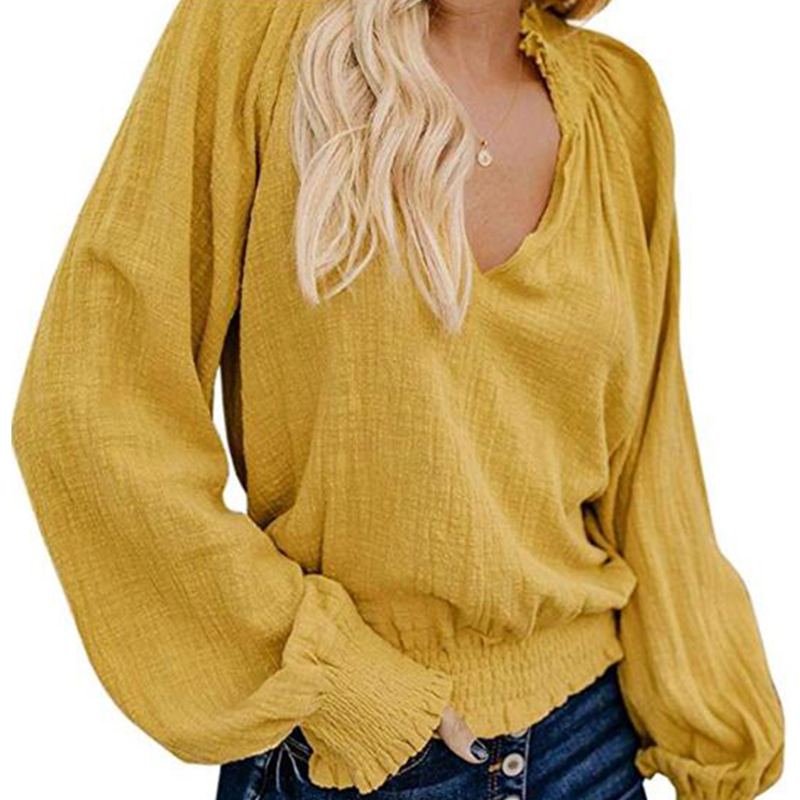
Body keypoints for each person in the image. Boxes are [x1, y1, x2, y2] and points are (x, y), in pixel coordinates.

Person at [11, 0, 785, 799]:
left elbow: (653, 467)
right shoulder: (259, 31)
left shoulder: (618, 103)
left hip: (589, 743)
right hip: (348, 761)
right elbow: (88, 405)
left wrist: (716, 740)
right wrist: (343, 682)